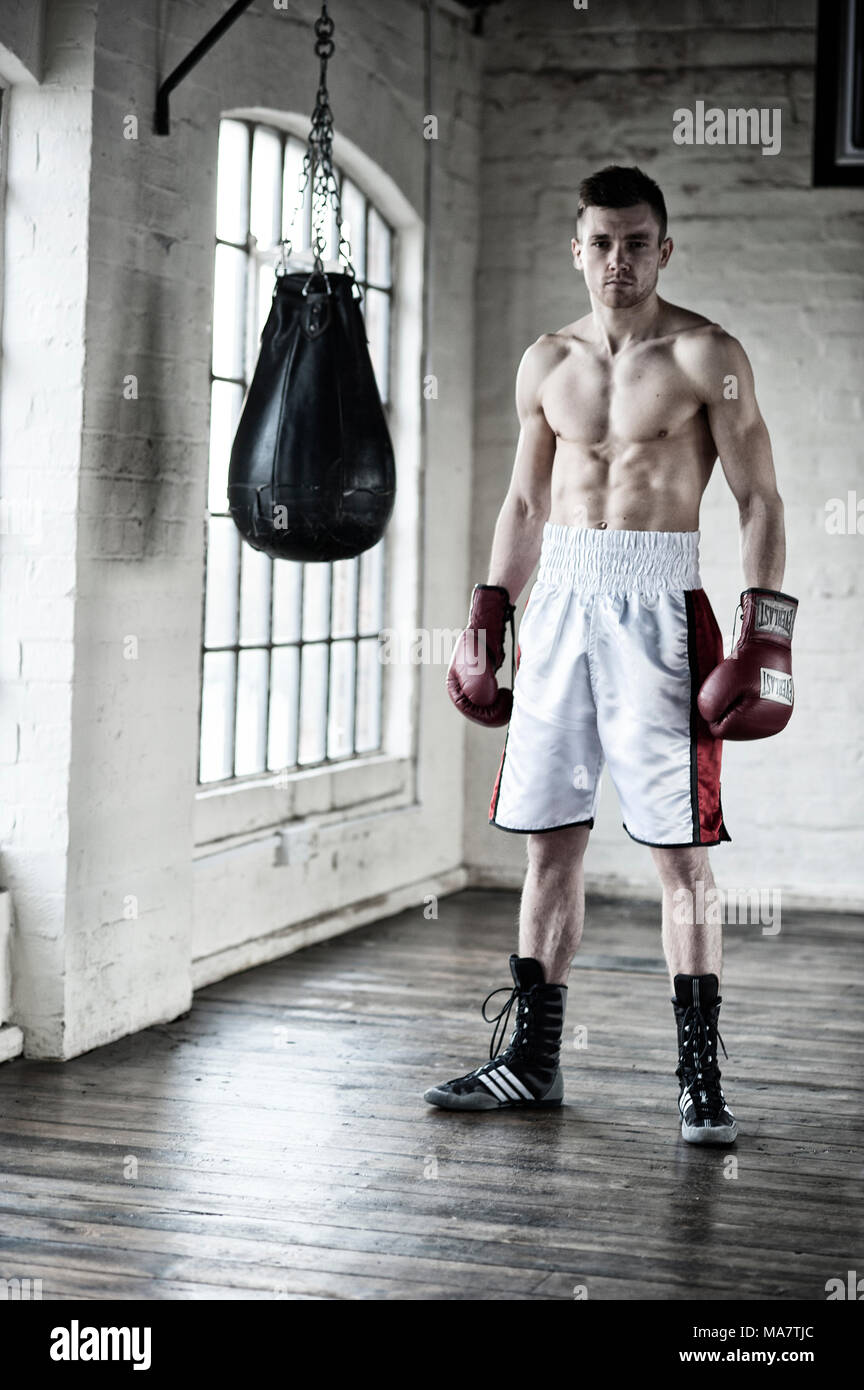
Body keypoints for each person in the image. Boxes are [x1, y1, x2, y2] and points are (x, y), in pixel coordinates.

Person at [427, 166, 797, 1143]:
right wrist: (487, 614)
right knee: (550, 844)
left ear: (664, 248)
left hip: (661, 609)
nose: (618, 261)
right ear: (576, 247)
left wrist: (768, 630)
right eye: (601, 242)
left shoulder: (706, 354)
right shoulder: (545, 361)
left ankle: (699, 1079)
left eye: (637, 242)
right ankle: (531, 1065)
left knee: (682, 854)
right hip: (559, 606)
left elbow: (760, 499)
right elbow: (521, 504)